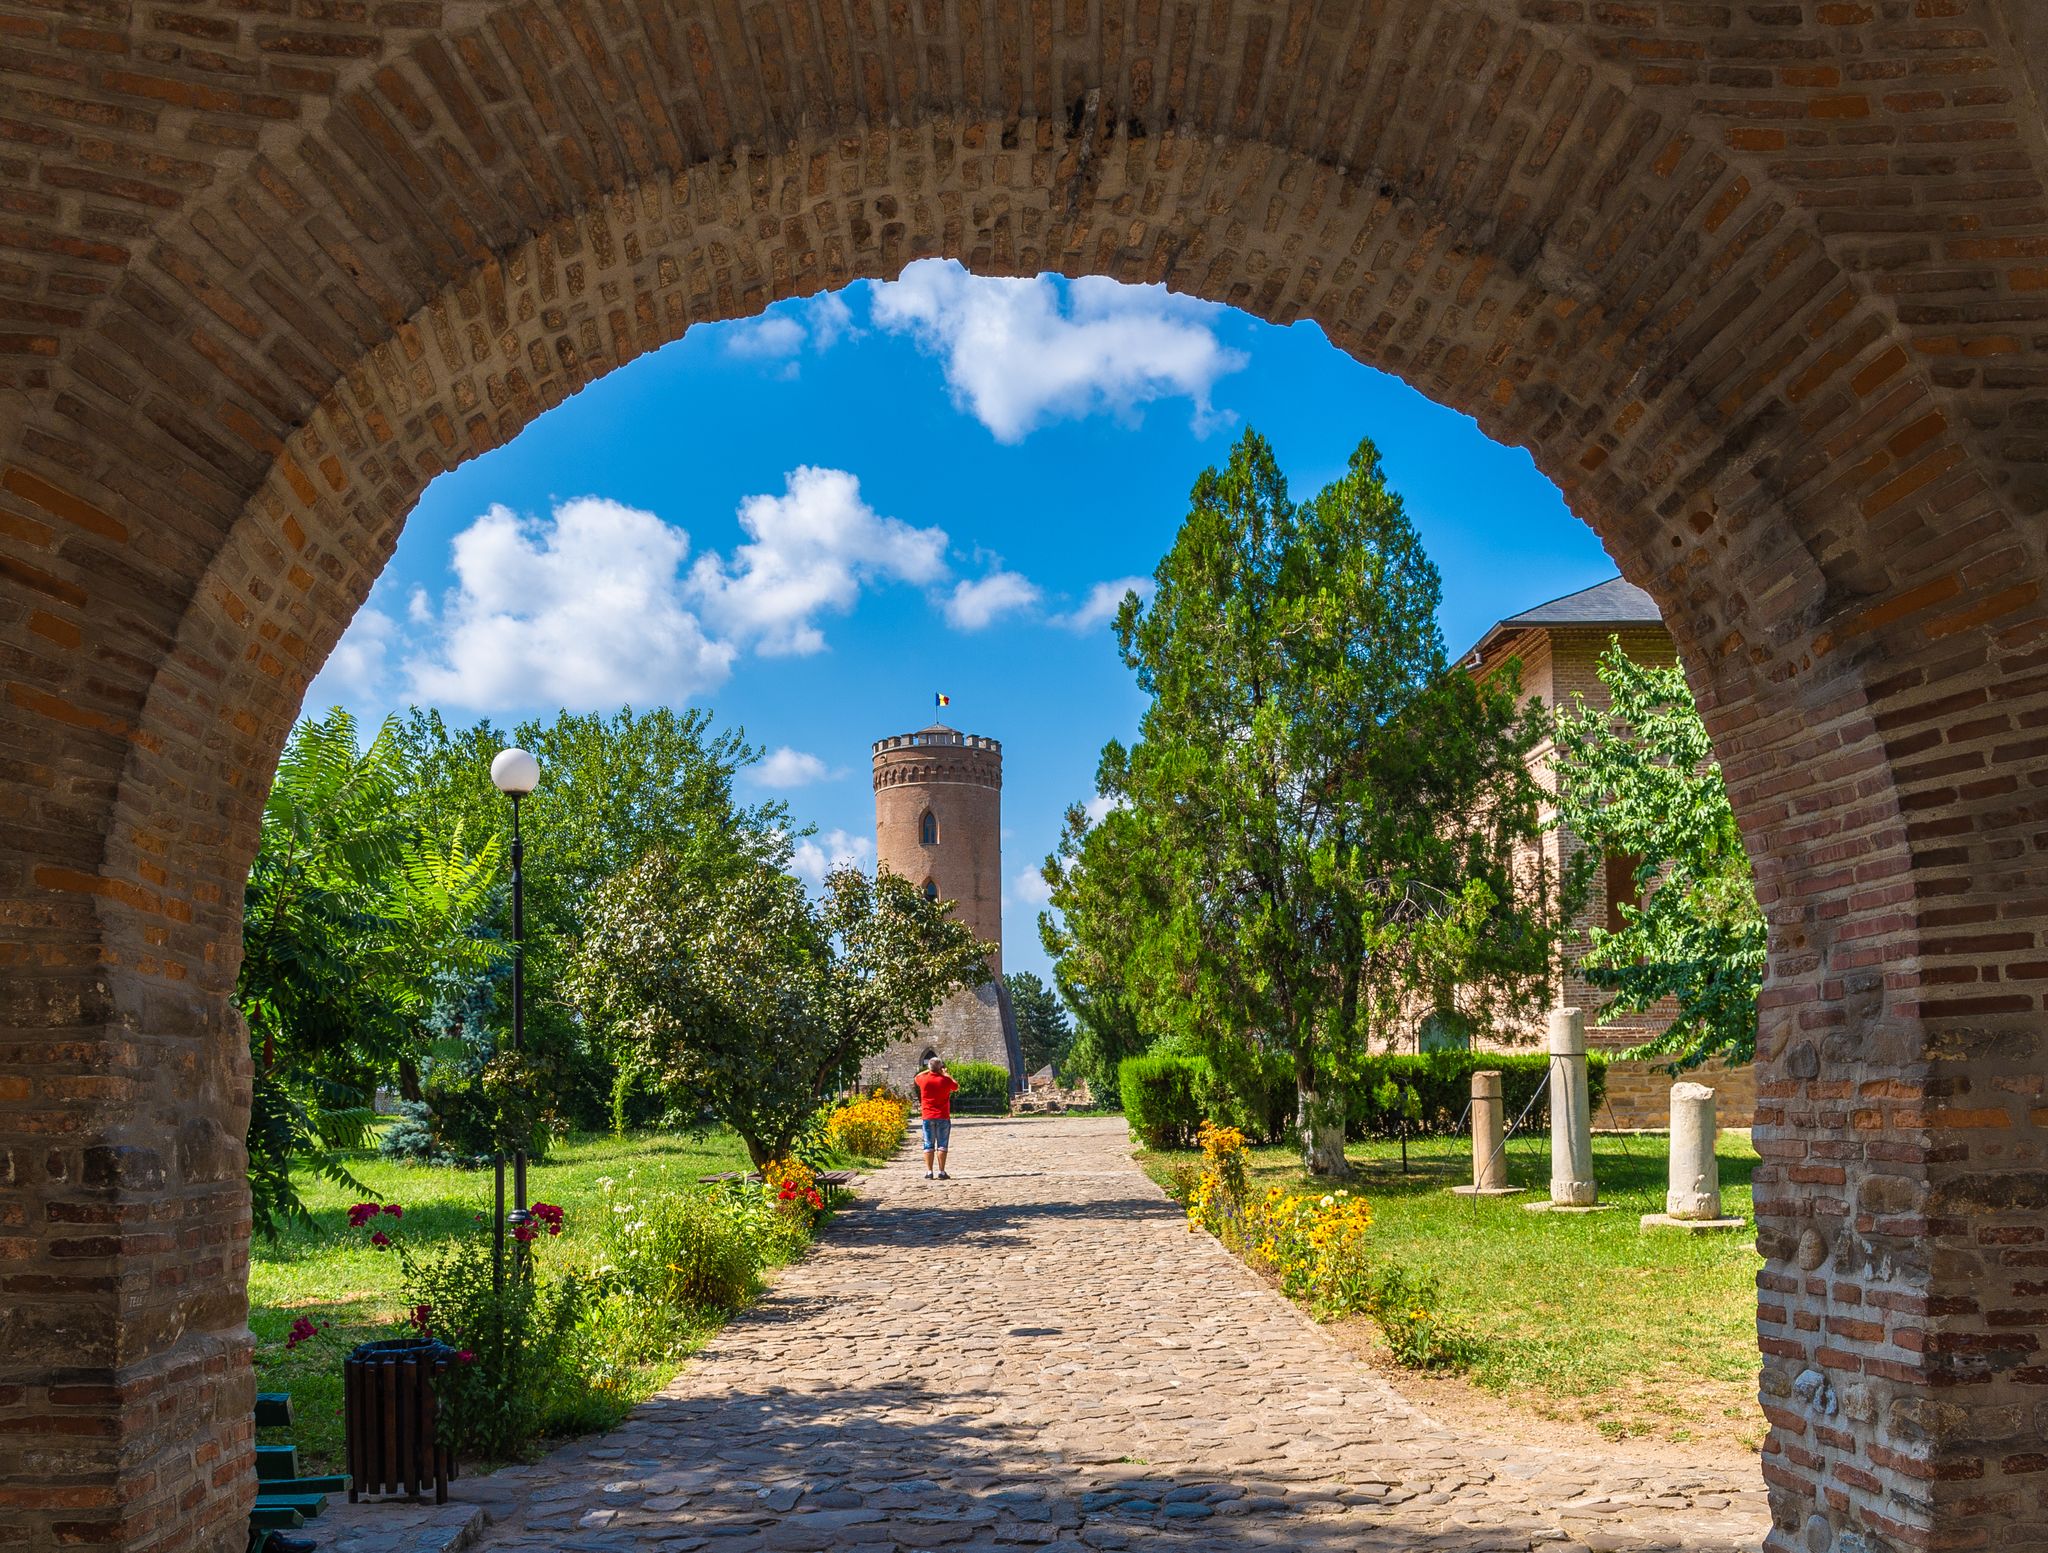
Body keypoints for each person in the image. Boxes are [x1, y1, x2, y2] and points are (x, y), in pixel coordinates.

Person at [913, 1056, 959, 1180]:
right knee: (942, 1145)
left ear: (929, 1067)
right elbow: (956, 1086)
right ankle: (942, 1171)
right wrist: (945, 1074)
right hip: (943, 1115)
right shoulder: (945, 1080)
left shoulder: (923, 1079)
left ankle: (929, 1172)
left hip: (927, 1116)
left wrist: (928, 1070)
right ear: (940, 1068)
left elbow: (916, 1077)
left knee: (928, 1144)